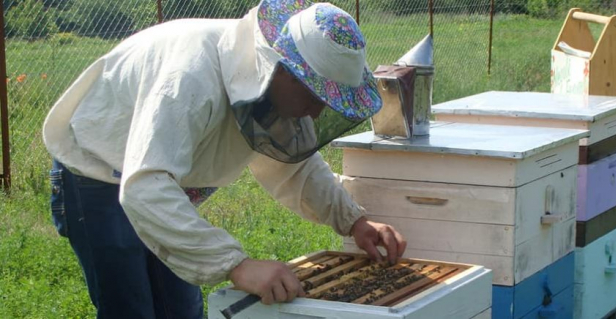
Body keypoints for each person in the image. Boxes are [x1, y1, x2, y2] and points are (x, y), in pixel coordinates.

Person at [42, 0, 407, 318]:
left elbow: (292, 166)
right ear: (285, 71)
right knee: (131, 309)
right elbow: (145, 187)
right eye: (317, 98)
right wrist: (237, 266)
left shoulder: (261, 82)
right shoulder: (189, 78)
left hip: (162, 180)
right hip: (99, 171)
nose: (315, 113)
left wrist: (353, 220)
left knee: (181, 309)